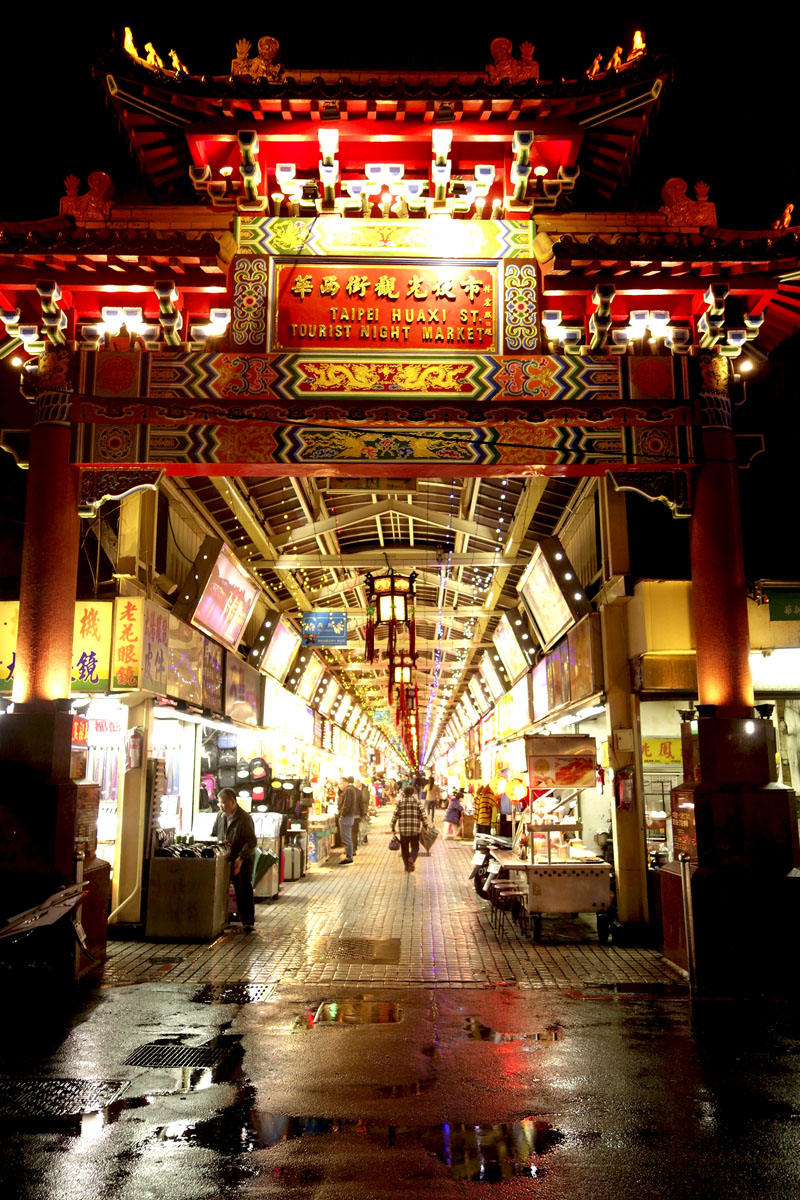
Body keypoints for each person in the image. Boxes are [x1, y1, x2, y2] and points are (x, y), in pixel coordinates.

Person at [213, 787, 257, 931]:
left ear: (233, 802)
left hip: (242, 859)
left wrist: (240, 859)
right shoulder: (220, 816)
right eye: (219, 803)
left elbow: (251, 842)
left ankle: (247, 922)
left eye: (224, 803)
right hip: (224, 858)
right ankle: (222, 919)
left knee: (243, 889)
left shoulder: (244, 818)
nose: (221, 806)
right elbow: (215, 834)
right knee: (220, 888)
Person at [390, 785, 430, 873]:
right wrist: (425, 825)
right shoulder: (417, 802)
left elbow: (395, 815)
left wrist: (392, 826)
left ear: (404, 792)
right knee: (415, 846)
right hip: (415, 829)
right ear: (413, 792)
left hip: (403, 830)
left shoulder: (400, 802)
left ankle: (406, 867)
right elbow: (422, 815)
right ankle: (412, 858)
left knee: (404, 848)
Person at [337, 775, 358, 864]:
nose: (340, 785)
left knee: (346, 837)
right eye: (339, 784)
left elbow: (347, 803)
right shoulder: (349, 790)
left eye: (341, 783)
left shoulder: (349, 790)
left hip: (346, 817)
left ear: (346, 783)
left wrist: (342, 814)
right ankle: (349, 856)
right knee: (347, 837)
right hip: (347, 817)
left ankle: (349, 858)